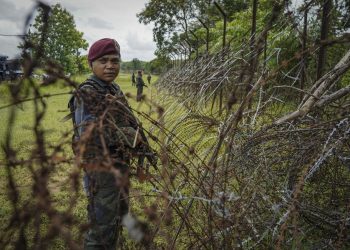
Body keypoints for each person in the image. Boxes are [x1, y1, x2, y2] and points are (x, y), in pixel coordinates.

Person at [69, 38, 151, 249]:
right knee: (101, 227)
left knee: (120, 213)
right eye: (103, 60)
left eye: (115, 61)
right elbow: (88, 132)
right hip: (100, 169)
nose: (110, 66)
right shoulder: (88, 92)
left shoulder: (112, 88)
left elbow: (126, 119)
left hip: (118, 163)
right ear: (91, 64)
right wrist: (131, 135)